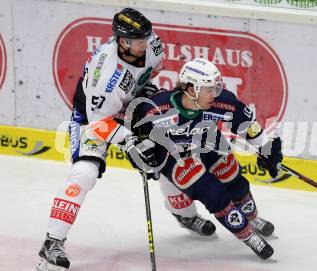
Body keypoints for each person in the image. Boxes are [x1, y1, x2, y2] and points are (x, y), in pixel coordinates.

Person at [36, 8, 213, 271]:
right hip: (93, 117)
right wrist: (129, 141)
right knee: (84, 172)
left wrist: (147, 97)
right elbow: (99, 123)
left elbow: (146, 77)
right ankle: (52, 242)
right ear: (122, 41)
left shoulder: (151, 43)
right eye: (139, 39)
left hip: (131, 106)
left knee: (168, 150)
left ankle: (184, 214)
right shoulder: (106, 74)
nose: (147, 42)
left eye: (146, 36)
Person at [129, 58, 283, 260]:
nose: (215, 94)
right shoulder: (156, 109)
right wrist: (140, 156)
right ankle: (247, 235)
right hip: (174, 153)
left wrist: (266, 148)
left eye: (216, 88)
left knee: (232, 175)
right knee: (212, 193)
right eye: (209, 89)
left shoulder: (222, 102)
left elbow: (246, 124)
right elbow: (135, 138)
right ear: (191, 89)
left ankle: (252, 218)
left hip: (207, 139)